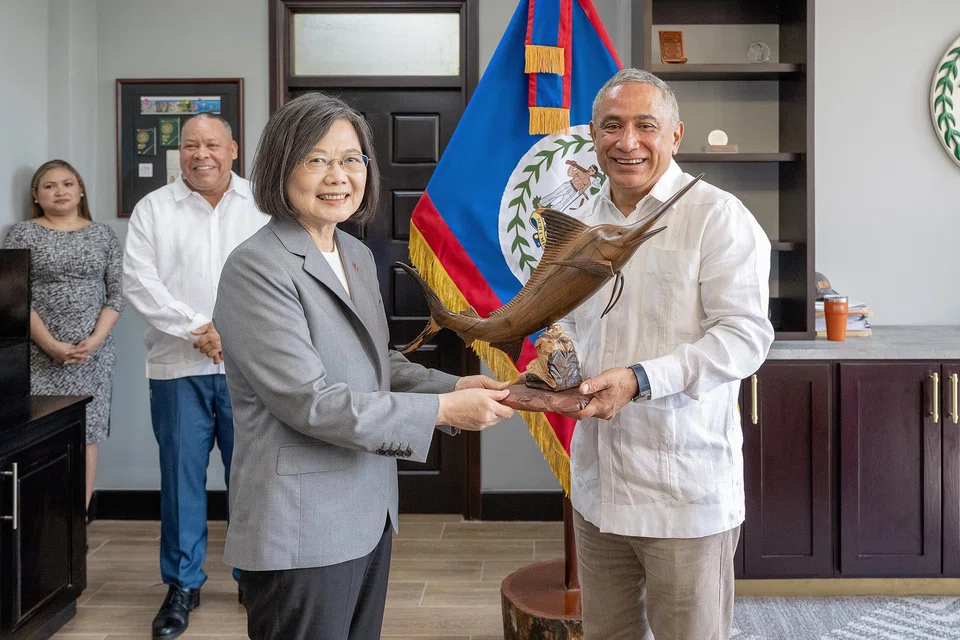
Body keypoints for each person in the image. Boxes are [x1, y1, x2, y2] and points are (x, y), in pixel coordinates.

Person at [212, 92, 514, 640]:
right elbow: (310, 401)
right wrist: (444, 409)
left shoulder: (354, 254)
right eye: (318, 159)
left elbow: (375, 365)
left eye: (352, 159)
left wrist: (455, 384)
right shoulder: (256, 267)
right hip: (300, 528)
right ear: (281, 164)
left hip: (367, 513)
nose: (339, 176)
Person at [558, 68, 775, 640]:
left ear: (675, 134)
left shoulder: (718, 217)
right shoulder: (579, 221)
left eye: (645, 126)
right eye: (612, 126)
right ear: (593, 136)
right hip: (598, 488)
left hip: (684, 493)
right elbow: (571, 326)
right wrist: (554, 359)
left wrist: (638, 379)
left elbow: (745, 337)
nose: (627, 142)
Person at [121, 113, 268, 640]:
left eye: (211, 144)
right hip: (177, 366)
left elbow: (281, 278)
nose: (199, 154)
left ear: (232, 149)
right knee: (181, 481)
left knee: (251, 479)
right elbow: (140, 282)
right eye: (189, 146)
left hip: (250, 369)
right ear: (178, 153)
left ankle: (255, 577)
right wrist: (198, 329)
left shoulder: (263, 205)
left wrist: (232, 333)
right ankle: (182, 585)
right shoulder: (153, 209)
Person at [2, 159, 123, 514]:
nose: (60, 191)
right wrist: (51, 345)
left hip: (93, 356)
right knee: (41, 436)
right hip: (39, 356)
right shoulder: (23, 233)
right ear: (36, 195)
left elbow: (116, 294)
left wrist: (96, 339)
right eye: (50, 185)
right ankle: (42, 522)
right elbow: (16, 295)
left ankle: (76, 522)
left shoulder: (102, 234)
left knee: (87, 435)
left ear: (80, 190)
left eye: (67, 184)